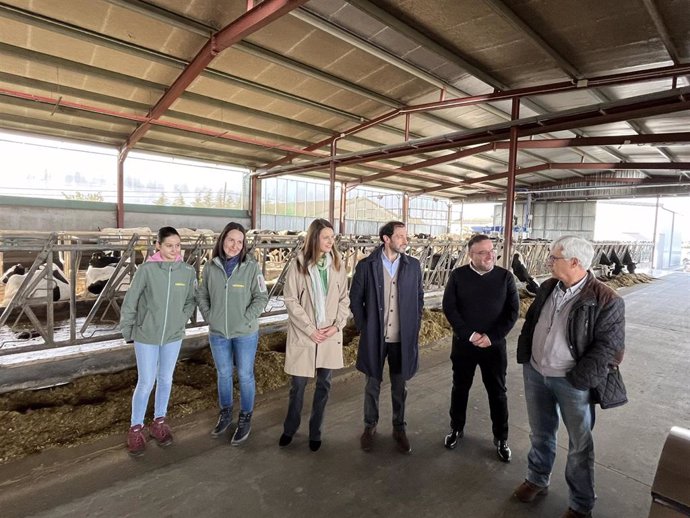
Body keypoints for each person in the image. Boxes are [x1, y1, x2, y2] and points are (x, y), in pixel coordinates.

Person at [513, 235, 626, 518]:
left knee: (579, 444)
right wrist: (528, 357)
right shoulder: (549, 287)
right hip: (537, 372)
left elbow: (610, 349)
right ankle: (537, 478)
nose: (549, 262)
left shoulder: (606, 299)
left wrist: (579, 380)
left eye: (554, 258)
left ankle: (581, 503)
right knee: (540, 431)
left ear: (575, 262)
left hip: (572, 381)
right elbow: (532, 322)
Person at [120, 226, 197, 457]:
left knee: (166, 378)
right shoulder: (146, 270)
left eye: (177, 245)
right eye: (169, 245)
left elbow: (190, 301)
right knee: (146, 381)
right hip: (146, 335)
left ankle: (159, 422)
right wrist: (129, 331)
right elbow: (131, 301)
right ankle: (136, 428)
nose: (174, 250)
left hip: (173, 336)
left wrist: (180, 320)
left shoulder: (187, 272)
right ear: (158, 246)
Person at [442, 234, 519, 462]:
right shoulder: (458, 276)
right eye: (482, 252)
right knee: (460, 387)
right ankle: (456, 428)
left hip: (493, 347)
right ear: (470, 255)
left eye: (491, 250)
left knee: (497, 392)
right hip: (464, 345)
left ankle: (501, 437)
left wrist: (492, 337)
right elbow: (450, 308)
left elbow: (512, 312)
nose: (489, 255)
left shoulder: (505, 277)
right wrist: (470, 335)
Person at [350, 221, 424, 454]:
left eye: (405, 236)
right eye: (400, 236)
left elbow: (419, 298)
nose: (405, 240)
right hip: (376, 337)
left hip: (401, 337)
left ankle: (399, 427)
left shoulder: (413, 266)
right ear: (386, 239)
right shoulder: (366, 265)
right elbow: (355, 299)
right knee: (372, 383)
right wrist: (364, 327)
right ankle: (369, 426)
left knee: (399, 385)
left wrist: (414, 323)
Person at [278, 219, 350, 452]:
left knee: (324, 385)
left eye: (332, 237)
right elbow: (290, 300)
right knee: (297, 386)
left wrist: (337, 326)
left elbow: (343, 299)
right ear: (314, 239)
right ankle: (290, 429)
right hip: (305, 334)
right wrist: (310, 329)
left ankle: (315, 431)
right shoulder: (298, 265)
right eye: (326, 237)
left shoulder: (337, 265)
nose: (331, 241)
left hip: (328, 335)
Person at [197, 222, 268, 445]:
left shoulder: (251, 267)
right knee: (224, 373)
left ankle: (245, 416)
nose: (235, 245)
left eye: (239, 241)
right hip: (218, 333)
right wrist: (210, 316)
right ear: (223, 240)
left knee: (245, 375)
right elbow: (201, 295)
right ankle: (226, 412)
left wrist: (246, 318)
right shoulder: (210, 267)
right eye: (231, 240)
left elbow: (261, 297)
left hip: (245, 332)